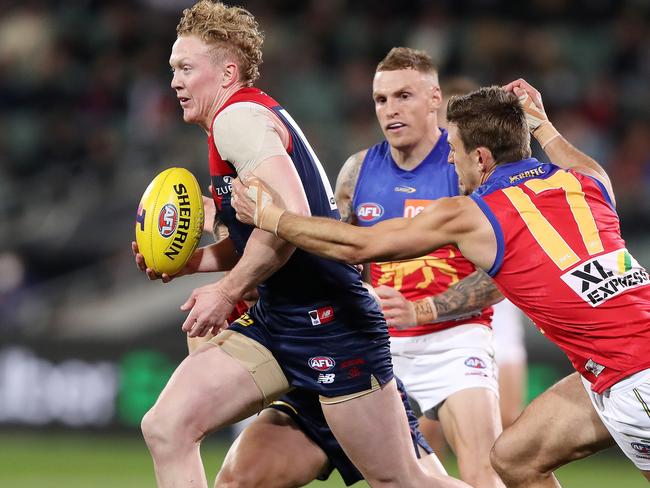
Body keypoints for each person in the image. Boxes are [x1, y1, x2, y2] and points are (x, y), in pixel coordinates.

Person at [232, 79, 650, 486]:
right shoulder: (587, 182)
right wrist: (540, 122)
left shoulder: (474, 214)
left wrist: (273, 218)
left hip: (634, 379)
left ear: (482, 158)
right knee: (514, 457)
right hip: (609, 367)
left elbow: (359, 245)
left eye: (454, 150)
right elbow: (575, 158)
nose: (450, 160)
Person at [132, 2, 468, 487]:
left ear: (227, 72)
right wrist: (192, 264)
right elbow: (259, 235)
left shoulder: (237, 120)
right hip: (280, 320)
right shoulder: (239, 120)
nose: (175, 81)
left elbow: (291, 220)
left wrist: (226, 291)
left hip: (332, 324)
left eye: (186, 68)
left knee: (400, 481)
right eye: (172, 69)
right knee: (167, 426)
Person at [334, 47, 505, 487]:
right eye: (381, 100)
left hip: (455, 339)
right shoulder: (357, 171)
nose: (390, 110)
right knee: (395, 478)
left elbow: (503, 272)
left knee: (485, 470)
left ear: (435, 100)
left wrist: (423, 310)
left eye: (404, 96)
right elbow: (338, 258)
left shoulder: (467, 167)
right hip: (379, 345)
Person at [440, 76, 528, 429]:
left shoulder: (486, 174)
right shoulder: (442, 172)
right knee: (431, 428)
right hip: (452, 309)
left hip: (498, 309)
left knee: (509, 420)